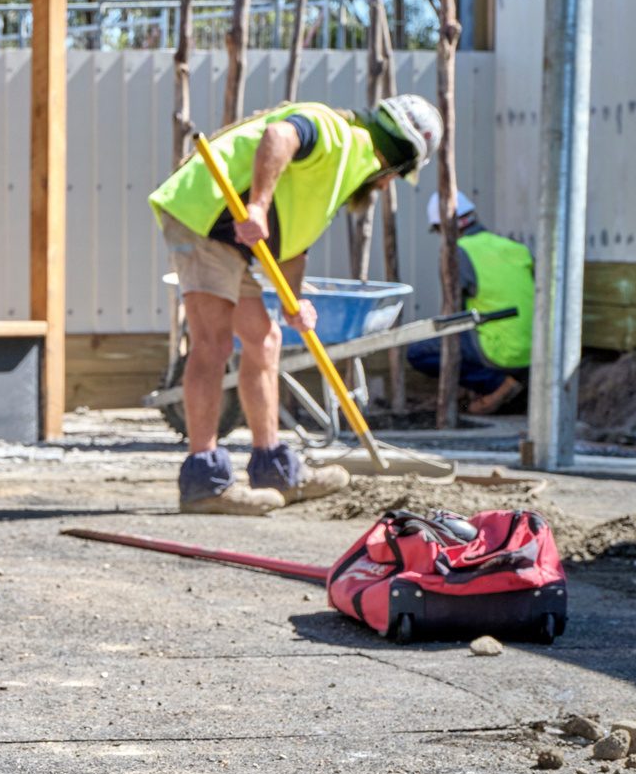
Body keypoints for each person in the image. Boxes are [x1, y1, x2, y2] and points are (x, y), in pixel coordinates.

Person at [149, 95, 441, 515]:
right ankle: (204, 479)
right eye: (393, 177)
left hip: (228, 235)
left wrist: (292, 301)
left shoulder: (343, 165)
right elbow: (279, 135)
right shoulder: (337, 134)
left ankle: (274, 469)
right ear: (394, 161)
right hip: (204, 216)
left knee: (264, 339)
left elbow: (294, 243)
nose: (384, 186)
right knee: (212, 343)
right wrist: (257, 205)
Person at [409, 191, 534, 416]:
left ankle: (496, 384)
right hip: (534, 351)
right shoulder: (515, 248)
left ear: (442, 227)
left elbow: (452, 315)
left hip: (500, 351)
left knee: (418, 352)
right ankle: (510, 382)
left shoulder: (458, 253)